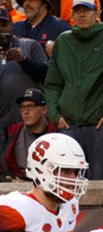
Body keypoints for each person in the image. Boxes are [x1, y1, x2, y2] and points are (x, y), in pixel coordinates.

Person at [45, 0, 103, 180]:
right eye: (77, 10)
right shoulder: (63, 41)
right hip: (69, 125)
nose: (82, 14)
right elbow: (53, 83)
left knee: (100, 184)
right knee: (67, 185)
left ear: (97, 12)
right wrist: (55, 116)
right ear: (72, 14)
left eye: (87, 10)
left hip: (98, 126)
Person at [0, 7, 49, 142]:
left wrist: (24, 61)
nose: (1, 29)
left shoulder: (30, 46)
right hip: (4, 128)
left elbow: (46, 74)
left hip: (36, 124)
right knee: (5, 163)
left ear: (12, 25)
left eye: (5, 24)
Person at [0, 88, 58, 182]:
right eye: (22, 107)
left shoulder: (58, 133)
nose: (25, 112)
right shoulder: (10, 133)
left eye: (31, 106)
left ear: (44, 109)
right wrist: (10, 182)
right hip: (19, 188)